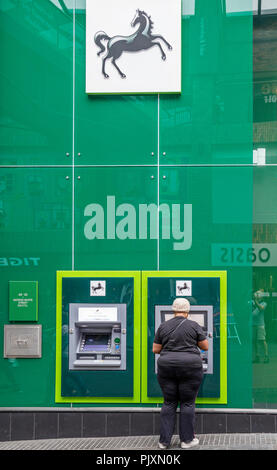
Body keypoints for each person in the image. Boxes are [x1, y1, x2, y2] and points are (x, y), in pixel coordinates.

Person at [153, 297, 208, 449]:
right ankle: (187, 440)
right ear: (187, 310)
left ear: (173, 310)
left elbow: (155, 349)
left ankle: (164, 442)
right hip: (190, 367)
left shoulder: (163, 326)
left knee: (169, 402)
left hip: (167, 367)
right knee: (187, 402)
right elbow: (205, 346)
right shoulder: (194, 325)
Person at [252, 289, 269, 363]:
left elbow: (261, 308)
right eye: (256, 294)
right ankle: (257, 356)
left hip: (260, 325)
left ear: (261, 296)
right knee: (254, 341)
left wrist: (255, 302)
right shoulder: (252, 302)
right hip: (253, 324)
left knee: (262, 340)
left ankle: (266, 356)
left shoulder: (264, 303)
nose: (257, 295)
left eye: (258, 294)